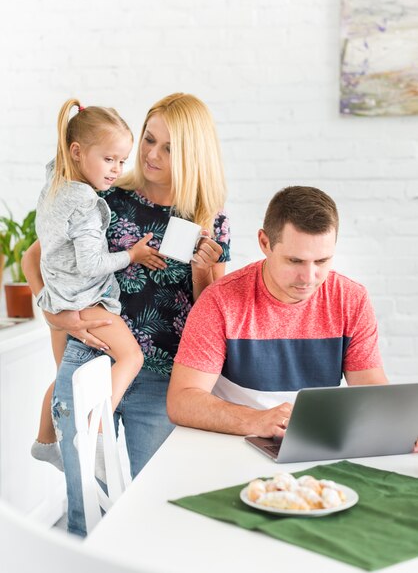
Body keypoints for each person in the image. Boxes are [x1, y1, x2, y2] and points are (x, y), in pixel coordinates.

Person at [22, 92, 231, 536]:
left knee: (154, 507)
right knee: (84, 511)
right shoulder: (103, 195)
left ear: (194, 153)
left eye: (169, 147)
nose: (152, 154)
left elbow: (210, 315)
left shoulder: (209, 218)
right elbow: (35, 261)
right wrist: (58, 316)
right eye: (149, 139)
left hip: (162, 379)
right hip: (90, 362)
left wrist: (201, 269)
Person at [167, 185, 389, 437]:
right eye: (295, 261)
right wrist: (255, 421)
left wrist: (399, 424)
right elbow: (181, 401)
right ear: (265, 242)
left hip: (316, 441)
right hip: (236, 442)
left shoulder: (351, 299)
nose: (309, 277)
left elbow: (371, 389)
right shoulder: (221, 300)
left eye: (322, 261)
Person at [31, 98, 148, 477]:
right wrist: (133, 255)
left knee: (62, 376)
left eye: (122, 161)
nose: (116, 170)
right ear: (78, 152)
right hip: (86, 301)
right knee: (132, 358)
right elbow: (92, 264)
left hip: (57, 299)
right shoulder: (85, 203)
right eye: (109, 159)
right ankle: (96, 430)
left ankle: (45, 442)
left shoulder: (55, 181)